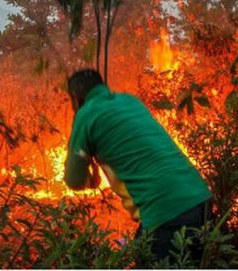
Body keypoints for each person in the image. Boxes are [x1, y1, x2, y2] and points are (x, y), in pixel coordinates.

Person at [63, 68, 212, 263]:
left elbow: (74, 180)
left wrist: (91, 180)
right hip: (201, 200)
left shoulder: (85, 115)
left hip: (164, 211)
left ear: (75, 99)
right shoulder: (130, 101)